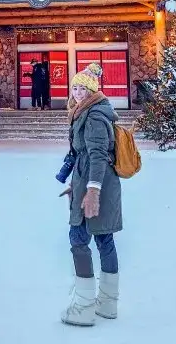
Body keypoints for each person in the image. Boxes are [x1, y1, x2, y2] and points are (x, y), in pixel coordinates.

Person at [59, 62, 122, 326]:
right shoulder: (85, 112)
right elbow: (84, 154)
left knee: (78, 237)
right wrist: (76, 182)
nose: (77, 92)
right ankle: (107, 303)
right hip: (92, 181)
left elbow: (97, 155)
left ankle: (84, 307)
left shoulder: (94, 115)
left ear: (92, 90)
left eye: (82, 88)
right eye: (74, 87)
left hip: (97, 184)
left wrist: (92, 191)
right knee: (103, 238)